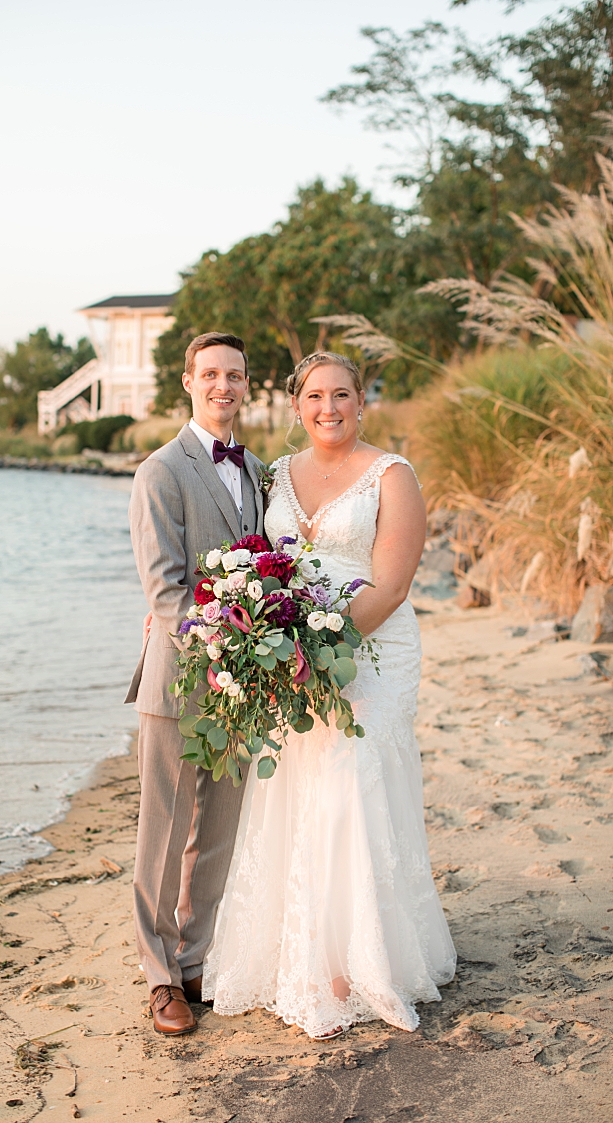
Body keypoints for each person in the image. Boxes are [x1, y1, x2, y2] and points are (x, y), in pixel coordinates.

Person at [203, 351, 456, 1039]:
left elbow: (394, 583)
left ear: (362, 402)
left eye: (342, 394)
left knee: (353, 779)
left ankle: (353, 962)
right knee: (299, 782)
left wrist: (324, 652)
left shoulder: (392, 476)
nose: (329, 407)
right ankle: (308, 949)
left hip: (371, 651)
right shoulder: (273, 475)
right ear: (295, 406)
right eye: (314, 396)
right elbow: (249, 557)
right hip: (296, 659)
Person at [125, 332, 268, 1036]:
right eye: (209, 373)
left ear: (248, 385)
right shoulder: (160, 471)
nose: (223, 385)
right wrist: (236, 641)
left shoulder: (259, 471)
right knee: (164, 835)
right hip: (181, 681)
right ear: (188, 381)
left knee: (217, 832)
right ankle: (158, 978)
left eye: (234, 375)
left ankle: (195, 959)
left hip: (244, 685)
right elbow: (164, 592)